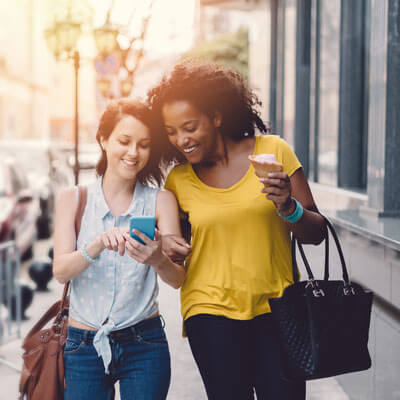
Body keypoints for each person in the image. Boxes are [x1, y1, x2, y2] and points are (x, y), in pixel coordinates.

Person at [147, 59, 327, 400]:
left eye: (189, 127)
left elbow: (315, 234)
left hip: (279, 310)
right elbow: (176, 253)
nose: (180, 140)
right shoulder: (178, 180)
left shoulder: (274, 152)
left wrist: (288, 207)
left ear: (216, 116)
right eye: (170, 132)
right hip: (209, 312)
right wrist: (167, 247)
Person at [53, 99, 186, 400]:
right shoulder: (72, 199)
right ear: (103, 140)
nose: (133, 153)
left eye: (143, 145)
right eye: (124, 141)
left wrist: (157, 259)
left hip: (144, 342)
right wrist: (97, 244)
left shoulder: (161, 200)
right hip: (82, 346)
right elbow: (61, 272)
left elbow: (177, 278)